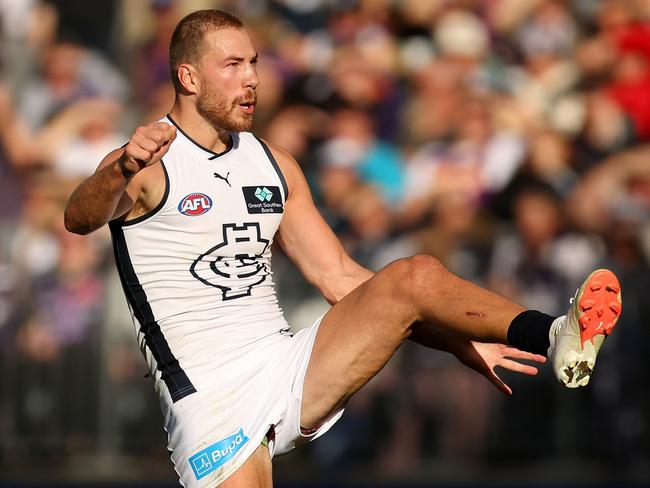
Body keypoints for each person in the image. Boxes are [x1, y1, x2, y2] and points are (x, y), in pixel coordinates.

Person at [64, 10, 622, 488]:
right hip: (207, 395)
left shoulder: (274, 163)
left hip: (288, 363)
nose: (251, 79)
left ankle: (555, 333)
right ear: (188, 76)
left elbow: (340, 280)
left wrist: (459, 340)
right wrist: (120, 166)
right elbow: (78, 217)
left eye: (254, 63)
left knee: (412, 276)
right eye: (232, 66)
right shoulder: (146, 160)